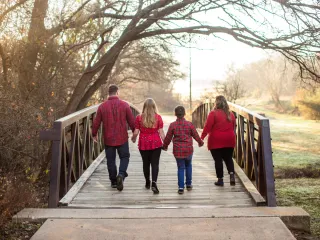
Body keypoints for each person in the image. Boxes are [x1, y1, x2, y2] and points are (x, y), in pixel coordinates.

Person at [92, 84, 135, 191]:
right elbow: (131, 121)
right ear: (117, 92)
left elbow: (96, 122)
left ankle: (114, 182)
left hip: (108, 138)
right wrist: (135, 132)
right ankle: (121, 174)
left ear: (108, 93)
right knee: (124, 157)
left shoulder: (102, 106)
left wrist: (94, 133)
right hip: (122, 138)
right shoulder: (125, 105)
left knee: (111, 160)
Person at [162, 106, 204, 194]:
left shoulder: (173, 125)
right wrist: (200, 142)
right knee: (188, 165)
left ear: (175, 114)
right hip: (188, 150)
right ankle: (188, 184)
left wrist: (165, 146)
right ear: (184, 114)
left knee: (180, 168)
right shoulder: (189, 124)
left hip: (178, 151)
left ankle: (181, 187)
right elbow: (195, 135)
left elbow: (168, 138)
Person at [201, 95, 236, 187]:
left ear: (216, 103)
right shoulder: (231, 114)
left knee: (218, 160)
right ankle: (232, 175)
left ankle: (220, 180)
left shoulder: (213, 113)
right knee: (228, 158)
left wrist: (202, 137)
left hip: (216, 140)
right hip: (229, 139)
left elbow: (207, 127)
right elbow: (233, 127)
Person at [131, 98, 165, 194]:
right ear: (154, 107)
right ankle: (154, 183)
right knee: (155, 164)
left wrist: (133, 138)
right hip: (156, 143)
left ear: (144, 107)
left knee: (145, 163)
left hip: (143, 143)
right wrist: (165, 143)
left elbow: (136, 131)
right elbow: (161, 132)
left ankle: (147, 182)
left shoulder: (139, 117)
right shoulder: (158, 117)